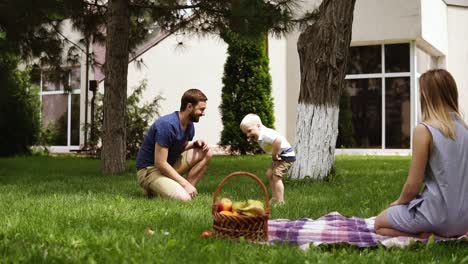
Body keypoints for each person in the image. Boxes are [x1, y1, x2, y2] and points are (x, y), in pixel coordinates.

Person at [374, 69, 468, 238]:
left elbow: (412, 186)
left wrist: (397, 203)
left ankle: (424, 236)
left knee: (379, 223)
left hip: (436, 217)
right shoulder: (465, 130)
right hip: (464, 222)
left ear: (425, 95)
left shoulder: (424, 130)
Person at [136, 89, 213, 201]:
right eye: (201, 109)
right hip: (150, 170)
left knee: (207, 152)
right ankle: (153, 187)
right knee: (183, 199)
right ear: (189, 107)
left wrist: (194, 145)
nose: (203, 113)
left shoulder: (189, 125)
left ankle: (188, 191)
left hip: (167, 166)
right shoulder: (167, 125)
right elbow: (160, 163)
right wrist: (184, 183)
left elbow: (179, 149)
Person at [240, 113, 296, 204]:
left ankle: (280, 201)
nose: (247, 135)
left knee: (276, 176)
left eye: (249, 131)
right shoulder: (260, 134)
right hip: (280, 156)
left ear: (258, 126)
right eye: (246, 133)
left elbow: (278, 140)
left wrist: (274, 154)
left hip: (286, 155)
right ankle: (274, 197)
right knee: (269, 174)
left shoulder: (265, 134)